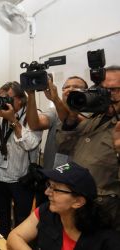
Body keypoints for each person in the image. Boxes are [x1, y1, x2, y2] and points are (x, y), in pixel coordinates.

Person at [56, 65, 120, 232]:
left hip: (105, 209)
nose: (107, 95)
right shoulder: (94, 119)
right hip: (78, 202)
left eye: (113, 90)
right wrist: (70, 119)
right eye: (102, 90)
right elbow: (64, 148)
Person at [7, 162, 120, 250]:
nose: (47, 192)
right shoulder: (47, 211)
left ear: (78, 202)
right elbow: (14, 236)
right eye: (49, 185)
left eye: (55, 188)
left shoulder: (107, 241)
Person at [0, 81, 42, 238]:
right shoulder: (0, 115)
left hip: (21, 178)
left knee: (22, 219)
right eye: (1, 98)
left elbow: (30, 144)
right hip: (0, 174)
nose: (4, 102)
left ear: (20, 99)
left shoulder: (32, 116)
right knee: (2, 218)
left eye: (8, 98)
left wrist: (12, 120)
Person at [26, 76, 88, 170]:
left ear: (86, 92)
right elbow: (34, 124)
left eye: (76, 87)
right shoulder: (54, 111)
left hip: (76, 175)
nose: (70, 89)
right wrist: (31, 95)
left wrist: (55, 99)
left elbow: (72, 118)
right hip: (52, 172)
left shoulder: (90, 114)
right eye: (66, 87)